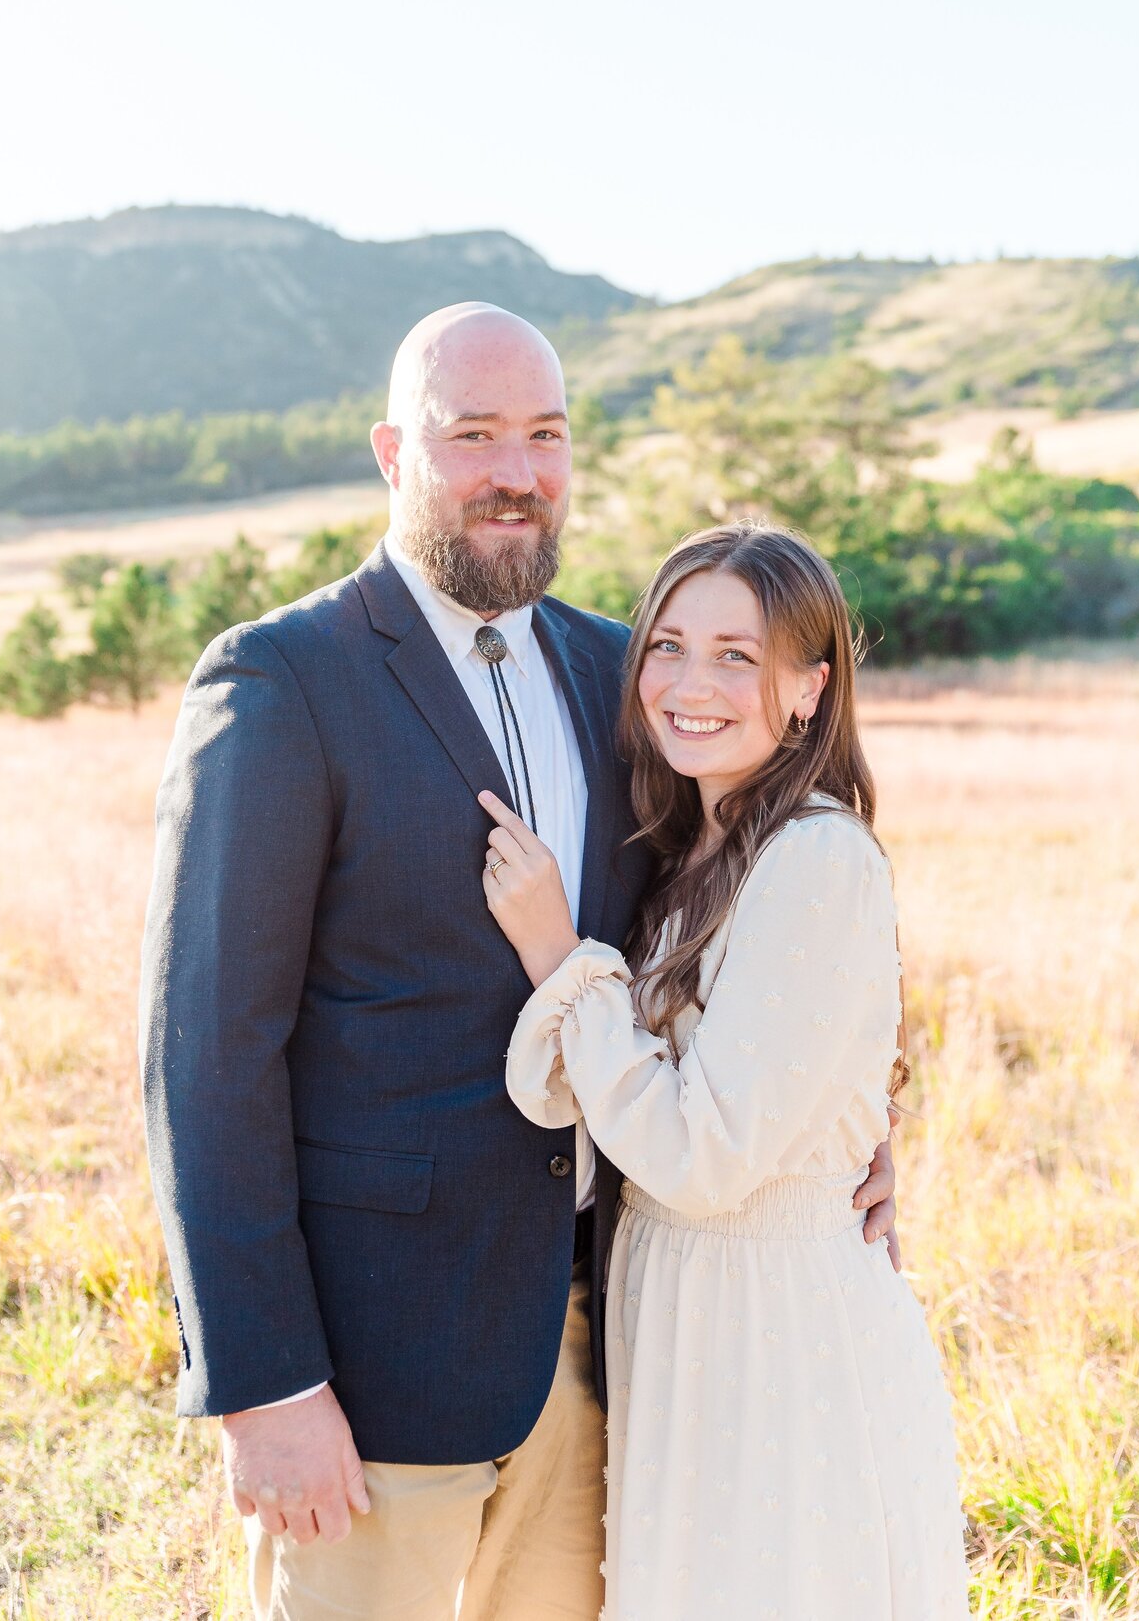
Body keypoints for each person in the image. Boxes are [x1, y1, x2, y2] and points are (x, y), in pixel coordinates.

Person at [139, 304, 899, 1621]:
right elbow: (204, 1055)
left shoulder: (626, 671)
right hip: (370, 1384)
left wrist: (848, 1122)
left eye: (545, 435)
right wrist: (265, 1384)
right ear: (394, 453)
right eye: (473, 433)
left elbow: (732, 945)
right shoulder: (280, 680)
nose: (517, 471)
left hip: (605, 1366)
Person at [488, 522, 969, 1620]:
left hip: (777, 1331)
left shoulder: (815, 855)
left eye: (737, 656)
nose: (690, 682)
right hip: (687, 1319)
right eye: (666, 644)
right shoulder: (693, 849)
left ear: (809, 688)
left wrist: (561, 961)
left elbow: (703, 1159)